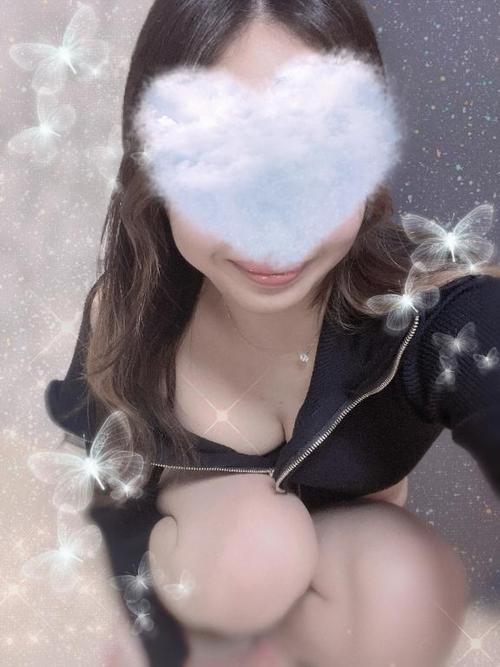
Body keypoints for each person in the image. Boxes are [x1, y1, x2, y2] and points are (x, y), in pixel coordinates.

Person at [44, 1, 500, 666]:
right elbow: (108, 498)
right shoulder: (134, 309)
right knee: (255, 546)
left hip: (340, 575)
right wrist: (160, 644)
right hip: (198, 582)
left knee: (405, 579)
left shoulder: (437, 312)